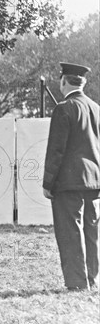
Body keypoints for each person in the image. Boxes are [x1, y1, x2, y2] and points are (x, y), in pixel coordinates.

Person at [43, 62, 100, 291]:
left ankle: (77, 283)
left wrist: (48, 183)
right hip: (94, 181)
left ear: (63, 81)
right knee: (91, 231)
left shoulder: (63, 108)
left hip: (68, 182)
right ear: (83, 83)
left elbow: (56, 150)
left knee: (70, 232)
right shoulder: (96, 108)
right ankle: (92, 279)